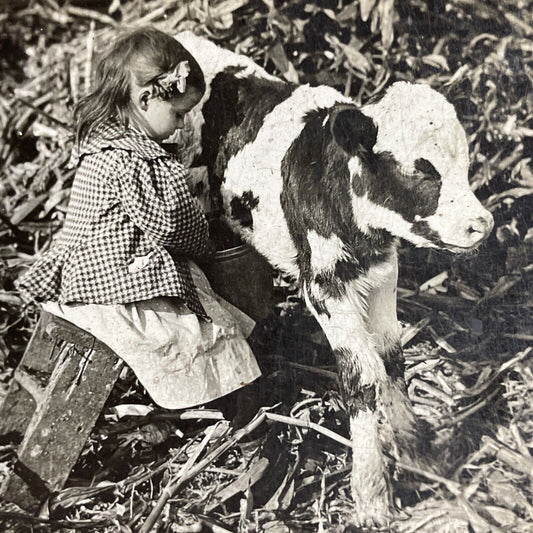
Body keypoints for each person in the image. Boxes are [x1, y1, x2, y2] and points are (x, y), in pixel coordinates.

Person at [16, 27, 261, 411]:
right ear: (146, 98)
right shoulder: (137, 159)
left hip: (88, 272)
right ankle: (231, 407)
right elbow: (170, 224)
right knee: (198, 330)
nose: (181, 125)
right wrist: (205, 243)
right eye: (179, 114)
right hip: (115, 283)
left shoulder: (106, 142)